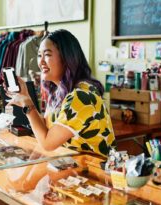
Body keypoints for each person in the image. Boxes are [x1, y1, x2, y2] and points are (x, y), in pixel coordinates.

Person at [9, 29, 116, 157]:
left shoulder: (80, 96)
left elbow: (47, 143)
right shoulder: (58, 90)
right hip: (75, 167)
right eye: (39, 55)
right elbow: (48, 129)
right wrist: (26, 96)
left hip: (97, 170)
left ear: (66, 58)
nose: (41, 61)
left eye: (47, 55)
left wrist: (28, 104)